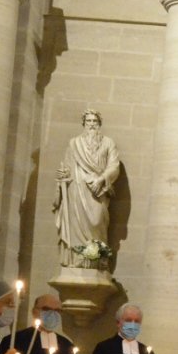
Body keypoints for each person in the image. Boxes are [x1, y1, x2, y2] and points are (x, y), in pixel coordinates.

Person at [54, 108, 121, 268]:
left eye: (95, 121)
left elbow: (114, 165)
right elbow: (68, 167)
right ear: (83, 124)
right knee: (76, 223)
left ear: (99, 124)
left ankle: (96, 259)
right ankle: (77, 259)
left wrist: (102, 178)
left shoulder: (108, 143)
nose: (91, 125)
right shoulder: (74, 143)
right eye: (88, 121)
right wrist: (62, 174)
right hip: (77, 189)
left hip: (98, 190)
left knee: (97, 221)